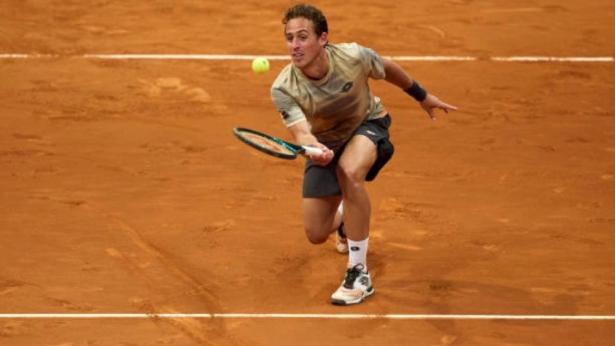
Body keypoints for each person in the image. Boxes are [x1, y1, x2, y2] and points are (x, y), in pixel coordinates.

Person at [270, 3, 457, 305]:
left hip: (368, 125)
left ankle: (359, 273)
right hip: (326, 141)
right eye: (289, 38)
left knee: (349, 172)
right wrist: (314, 149)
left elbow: (388, 67)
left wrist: (422, 96)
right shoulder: (283, 87)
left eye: (302, 37)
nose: (294, 45)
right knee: (316, 233)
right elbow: (302, 133)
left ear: (323, 38)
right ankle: (345, 221)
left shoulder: (353, 56)